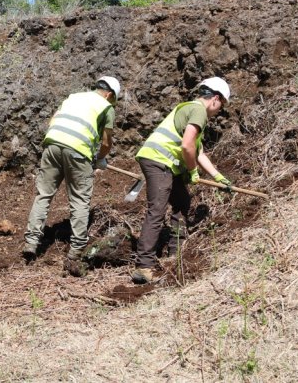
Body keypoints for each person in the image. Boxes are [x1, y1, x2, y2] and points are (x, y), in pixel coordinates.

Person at [130, 77, 233, 284]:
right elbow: (187, 147)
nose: (219, 110)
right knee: (157, 210)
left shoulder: (192, 111)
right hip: (158, 161)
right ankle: (144, 266)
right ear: (215, 98)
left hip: (164, 163)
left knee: (181, 202)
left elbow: (198, 151)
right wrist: (193, 171)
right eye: (221, 105)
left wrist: (218, 176)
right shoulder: (199, 111)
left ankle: (174, 253)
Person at [23, 76, 120, 263]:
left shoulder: (73, 97)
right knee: (80, 200)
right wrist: (100, 158)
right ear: (109, 95)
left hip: (52, 146)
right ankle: (76, 250)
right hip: (77, 152)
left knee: (43, 195)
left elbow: (53, 121)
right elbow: (107, 141)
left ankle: (31, 242)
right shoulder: (106, 107)